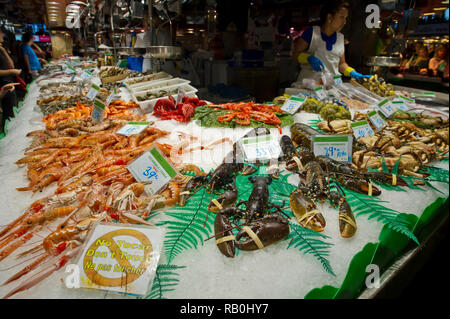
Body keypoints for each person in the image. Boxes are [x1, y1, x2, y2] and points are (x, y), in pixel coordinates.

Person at [291, 0, 370, 82]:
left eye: (346, 18)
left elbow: (341, 64)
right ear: (329, 17)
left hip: (332, 87)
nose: (344, 22)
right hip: (309, 86)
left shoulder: (340, 38)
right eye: (341, 17)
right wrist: (308, 58)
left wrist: (351, 72)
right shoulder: (312, 33)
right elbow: (294, 55)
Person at [0, 27, 21, 131]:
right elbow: (11, 69)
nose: (3, 35)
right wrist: (11, 72)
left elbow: (11, 64)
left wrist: (4, 51)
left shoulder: (1, 50)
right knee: (7, 113)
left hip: (9, 84)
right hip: (3, 85)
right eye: (1, 33)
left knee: (12, 110)